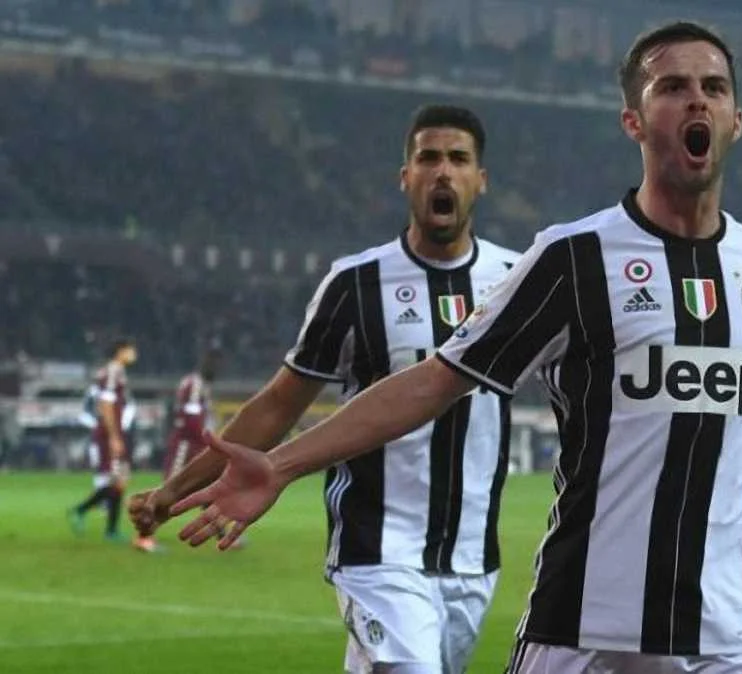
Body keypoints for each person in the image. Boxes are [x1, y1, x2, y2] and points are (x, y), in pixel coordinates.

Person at [170, 23, 742, 674]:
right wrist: (282, 464)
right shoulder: (572, 259)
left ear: (737, 121)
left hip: (739, 628)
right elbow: (435, 380)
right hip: (587, 625)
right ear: (635, 120)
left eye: (714, 88)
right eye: (672, 87)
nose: (697, 100)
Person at [129, 105, 520, 673]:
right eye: (428, 158)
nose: (443, 171)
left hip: (472, 558)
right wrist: (173, 491)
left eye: (458, 159)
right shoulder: (355, 283)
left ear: (480, 180)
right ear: (405, 176)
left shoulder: (515, 281)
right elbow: (280, 403)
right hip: (376, 549)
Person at [133, 348, 224, 553]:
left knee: (207, 485)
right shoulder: (195, 385)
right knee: (169, 490)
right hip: (186, 445)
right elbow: (192, 420)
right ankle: (143, 536)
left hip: (196, 444)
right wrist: (207, 439)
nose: (218, 370)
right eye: (216, 366)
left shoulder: (199, 384)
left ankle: (221, 535)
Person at [69, 337, 137, 543]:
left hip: (113, 431)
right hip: (109, 433)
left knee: (120, 480)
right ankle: (83, 512)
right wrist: (114, 436)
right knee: (117, 480)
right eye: (131, 350)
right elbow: (105, 405)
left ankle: (108, 527)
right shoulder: (113, 371)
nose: (134, 354)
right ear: (121, 351)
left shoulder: (116, 371)